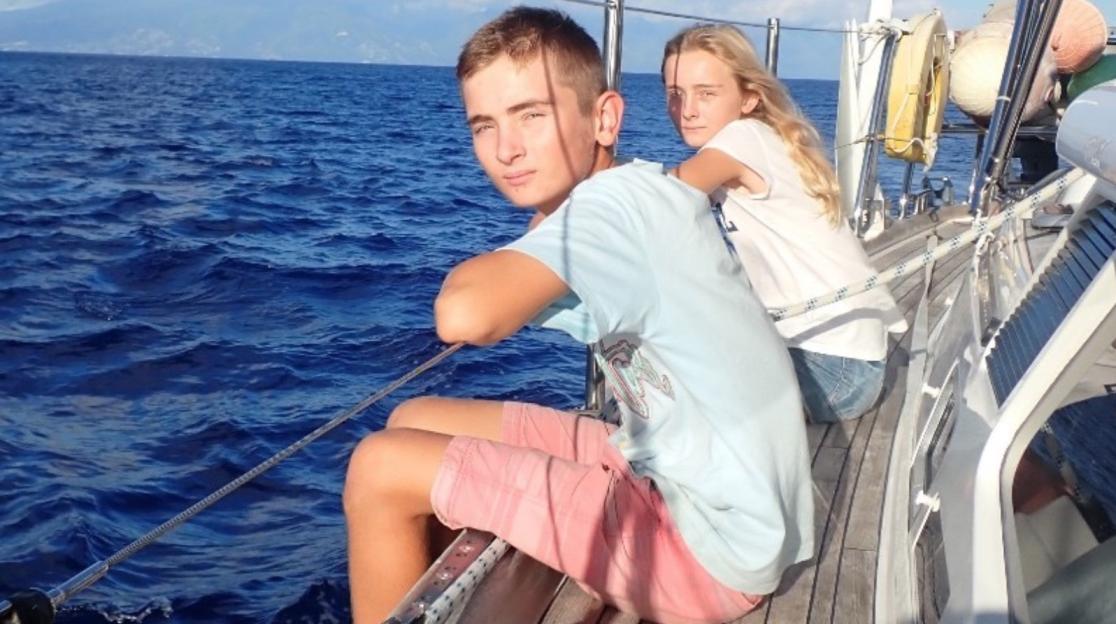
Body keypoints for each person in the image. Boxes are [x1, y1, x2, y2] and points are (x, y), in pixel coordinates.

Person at [342, 8, 813, 624]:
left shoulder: (607, 211)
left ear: (604, 118)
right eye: (483, 125)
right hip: (701, 480)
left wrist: (505, 253)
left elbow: (464, 314)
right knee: (414, 417)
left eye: (532, 115)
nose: (506, 150)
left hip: (711, 551)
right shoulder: (640, 187)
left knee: (377, 467)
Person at [661, 24, 907, 423]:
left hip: (833, 368)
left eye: (706, 93)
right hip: (849, 357)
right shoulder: (759, 138)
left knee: (675, 394)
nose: (687, 109)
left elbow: (658, 199)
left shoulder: (741, 140)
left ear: (749, 98)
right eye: (675, 95)